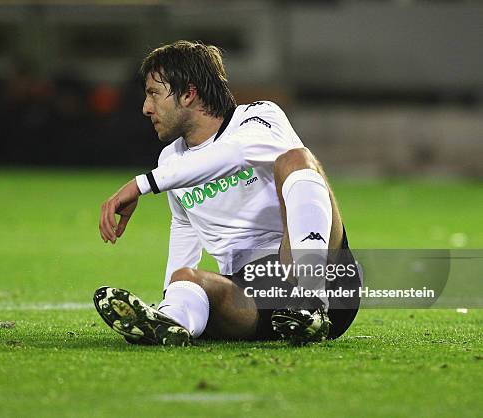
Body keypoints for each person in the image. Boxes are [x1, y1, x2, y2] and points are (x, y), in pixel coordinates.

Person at [94, 40, 360, 346]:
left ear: (188, 93)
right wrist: (174, 295)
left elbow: (234, 154)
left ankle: (311, 303)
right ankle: (168, 322)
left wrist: (143, 184)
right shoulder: (171, 162)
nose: (146, 107)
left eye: (154, 93)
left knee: (297, 159)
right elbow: (183, 228)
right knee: (186, 279)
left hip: (327, 280)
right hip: (256, 297)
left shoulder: (259, 117)